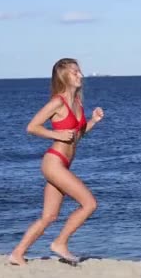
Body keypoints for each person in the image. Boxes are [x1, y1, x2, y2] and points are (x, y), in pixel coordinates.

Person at [9, 58, 104, 266]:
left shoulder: (77, 103)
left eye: (79, 72)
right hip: (54, 162)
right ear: (63, 76)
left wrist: (93, 122)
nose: (80, 75)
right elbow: (32, 127)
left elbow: (76, 136)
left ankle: (17, 253)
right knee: (89, 203)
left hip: (63, 164)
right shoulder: (58, 101)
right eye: (75, 72)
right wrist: (57, 135)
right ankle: (60, 243)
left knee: (49, 216)